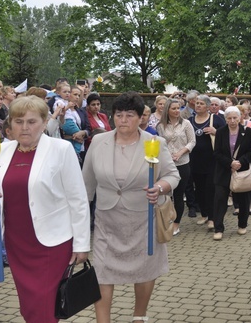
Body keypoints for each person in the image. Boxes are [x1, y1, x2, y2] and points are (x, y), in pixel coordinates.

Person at [0, 95, 90, 323]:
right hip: (16, 243)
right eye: (18, 121)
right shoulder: (1, 150)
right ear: (10, 124)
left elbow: (78, 199)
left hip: (52, 243)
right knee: (30, 307)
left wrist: (81, 244)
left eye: (31, 121)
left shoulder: (61, 149)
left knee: (44, 307)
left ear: (43, 122)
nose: (24, 127)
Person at [82, 92, 180, 323]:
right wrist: (78, 223)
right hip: (107, 219)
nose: (123, 120)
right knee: (102, 271)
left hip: (143, 218)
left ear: (140, 118)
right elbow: (86, 184)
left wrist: (160, 187)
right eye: (118, 114)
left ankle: (139, 315)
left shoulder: (154, 143)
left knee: (145, 269)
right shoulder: (98, 142)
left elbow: (172, 175)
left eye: (129, 115)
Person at [212, 106, 251, 240]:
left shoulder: (247, 132)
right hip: (224, 171)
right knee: (220, 199)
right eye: (229, 118)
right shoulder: (220, 132)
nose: (232, 121)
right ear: (225, 119)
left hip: (242, 171)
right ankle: (218, 228)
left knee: (243, 200)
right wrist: (230, 163)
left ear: (240, 118)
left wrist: (239, 162)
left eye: (235, 118)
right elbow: (217, 153)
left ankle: (242, 224)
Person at [156, 98, 195, 236]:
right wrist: (167, 155)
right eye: (174, 108)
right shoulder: (161, 125)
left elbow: (192, 141)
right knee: (166, 194)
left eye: (179, 108)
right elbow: (160, 143)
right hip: (167, 163)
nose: (177, 111)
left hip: (182, 163)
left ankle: (176, 224)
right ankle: (165, 220)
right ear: (168, 110)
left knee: (178, 194)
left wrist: (180, 152)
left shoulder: (186, 124)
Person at [186, 94, 224, 226]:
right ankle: (204, 214)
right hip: (195, 161)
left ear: (208, 106)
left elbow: (226, 136)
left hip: (212, 161)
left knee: (210, 189)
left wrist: (216, 132)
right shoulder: (189, 121)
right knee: (200, 189)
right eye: (197, 103)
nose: (198, 105)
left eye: (201, 103)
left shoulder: (217, 119)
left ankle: (212, 218)